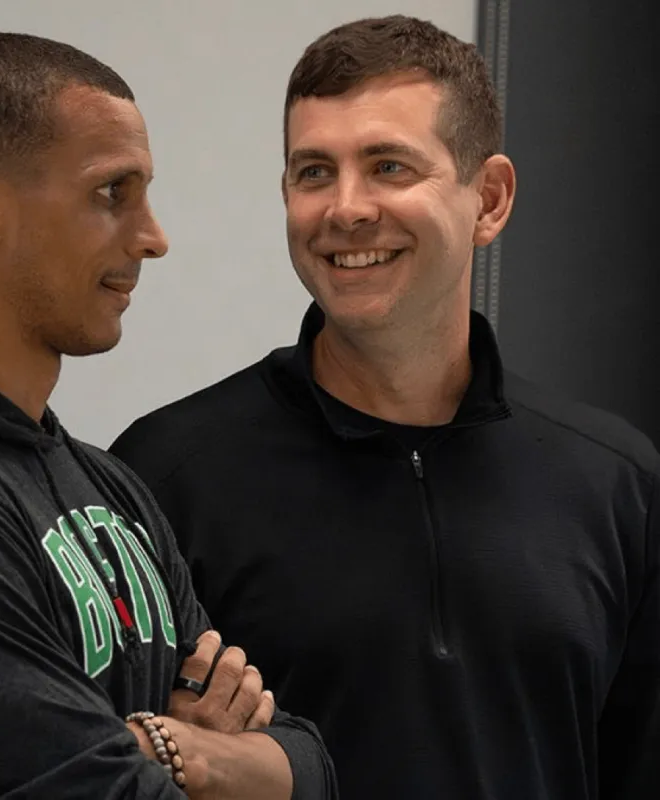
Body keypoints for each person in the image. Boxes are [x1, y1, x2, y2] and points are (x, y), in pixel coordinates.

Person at [110, 14, 660, 799]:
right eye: (314, 172)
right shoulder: (165, 475)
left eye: (388, 167)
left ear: (490, 199)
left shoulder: (616, 483)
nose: (346, 208)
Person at [0, 32, 338, 800]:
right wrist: (185, 760)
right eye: (112, 193)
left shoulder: (114, 489)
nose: (153, 238)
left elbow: (310, 766)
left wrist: (172, 750)